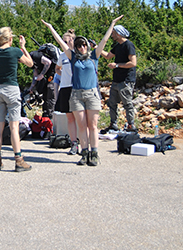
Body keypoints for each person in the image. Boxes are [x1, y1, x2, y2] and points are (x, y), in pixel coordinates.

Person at [42, 16, 123, 166]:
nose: (82, 47)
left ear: (88, 45)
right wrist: (50, 27)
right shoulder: (73, 58)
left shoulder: (94, 56)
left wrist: (112, 24)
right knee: (81, 125)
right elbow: (60, 42)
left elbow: (104, 41)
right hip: (76, 95)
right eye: (79, 45)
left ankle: (94, 153)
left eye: (84, 45)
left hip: (91, 94)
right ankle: (84, 152)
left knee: (92, 125)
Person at [0, 27, 34, 172]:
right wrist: (23, 47)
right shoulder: (15, 51)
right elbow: (30, 63)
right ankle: (18, 160)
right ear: (10, 39)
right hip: (11, 89)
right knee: (14, 127)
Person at [100, 24, 137, 133]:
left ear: (118, 33)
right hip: (116, 79)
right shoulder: (118, 46)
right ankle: (113, 123)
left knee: (127, 103)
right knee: (112, 102)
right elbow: (107, 56)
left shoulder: (128, 45)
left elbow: (133, 63)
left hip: (126, 80)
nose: (112, 35)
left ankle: (131, 125)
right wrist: (97, 48)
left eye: (113, 33)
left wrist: (117, 65)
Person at [54, 29, 79, 156]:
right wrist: (62, 74)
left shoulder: (78, 53)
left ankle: (83, 142)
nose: (66, 43)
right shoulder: (62, 56)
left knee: (80, 116)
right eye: (64, 41)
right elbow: (57, 68)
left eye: (68, 40)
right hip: (65, 87)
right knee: (69, 117)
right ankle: (73, 143)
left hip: (77, 87)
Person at [26, 49, 56, 117]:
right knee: (44, 93)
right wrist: (31, 88)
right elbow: (35, 75)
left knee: (50, 92)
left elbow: (48, 62)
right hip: (46, 77)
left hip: (52, 74)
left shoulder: (35, 55)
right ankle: (46, 114)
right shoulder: (31, 62)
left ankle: (51, 115)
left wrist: (42, 74)